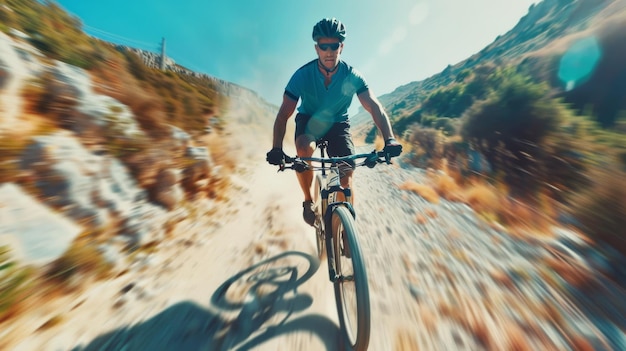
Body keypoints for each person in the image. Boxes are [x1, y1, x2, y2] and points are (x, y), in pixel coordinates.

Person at [266, 17, 402, 226]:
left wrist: (390, 139)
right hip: (310, 121)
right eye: (324, 46)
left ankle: (346, 229)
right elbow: (284, 114)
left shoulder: (352, 75)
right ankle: (308, 201)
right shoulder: (301, 75)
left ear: (342, 47)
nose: (329, 51)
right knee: (303, 149)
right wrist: (276, 147)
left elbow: (374, 106)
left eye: (334, 45)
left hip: (338, 124)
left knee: (346, 175)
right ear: (316, 48)